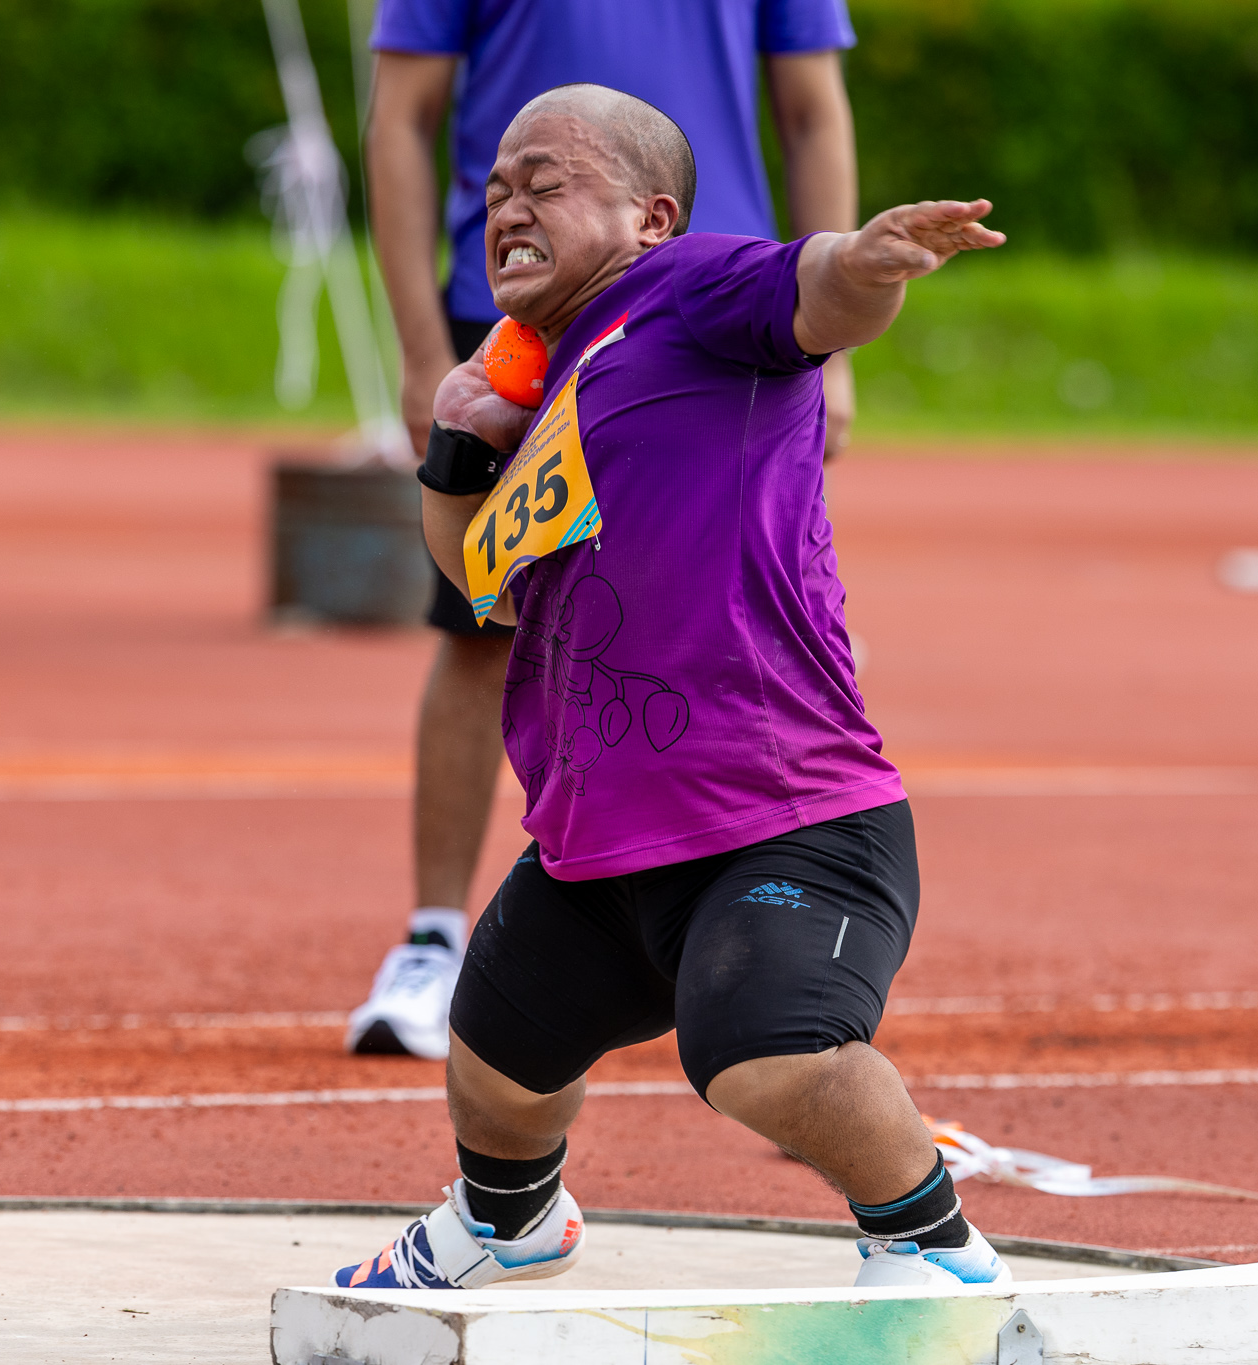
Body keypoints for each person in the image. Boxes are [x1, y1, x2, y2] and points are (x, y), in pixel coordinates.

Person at [333, 85, 1009, 1290]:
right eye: (492, 190)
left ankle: (932, 1246)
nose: (506, 207)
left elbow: (817, 296)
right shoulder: (543, 383)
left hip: (785, 817)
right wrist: (456, 446)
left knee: (767, 1057)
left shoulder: (693, 289)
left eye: (544, 182)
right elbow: (482, 577)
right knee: (491, 1059)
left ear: (649, 218)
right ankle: (507, 1223)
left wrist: (866, 261)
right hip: (599, 839)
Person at [349, 0, 862, 1058]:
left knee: (716, 598)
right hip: (521, 305)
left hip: (718, 301)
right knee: (484, 618)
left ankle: (773, 944)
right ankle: (436, 938)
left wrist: (838, 344)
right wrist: (415, 347)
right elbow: (400, 115)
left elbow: (812, 109)